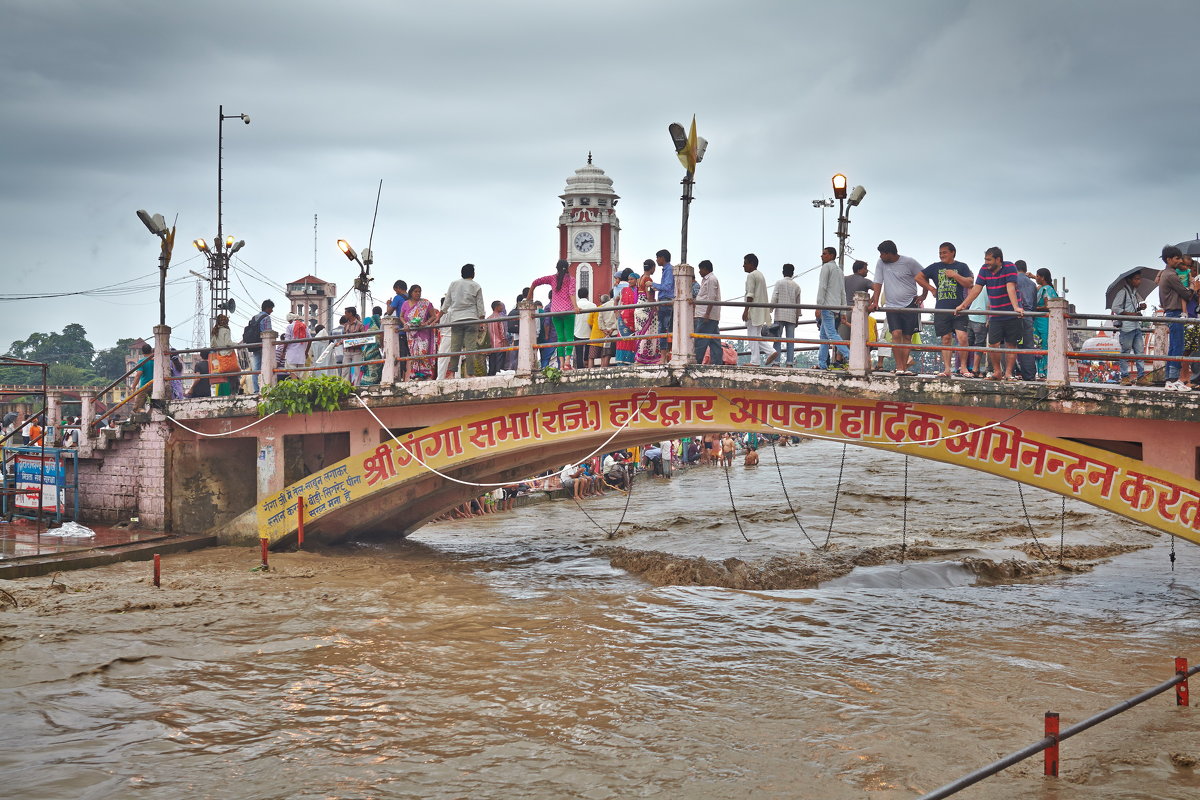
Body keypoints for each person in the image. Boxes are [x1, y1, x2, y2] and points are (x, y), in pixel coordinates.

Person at [954, 247, 1024, 381]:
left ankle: (1009, 373)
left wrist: (1016, 307)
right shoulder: (984, 269)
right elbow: (976, 289)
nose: (987, 262)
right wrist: (964, 305)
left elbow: (1010, 287)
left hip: (1011, 312)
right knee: (993, 344)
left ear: (998, 259)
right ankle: (997, 372)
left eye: (989, 260)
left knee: (1011, 344)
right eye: (985, 259)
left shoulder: (1009, 267)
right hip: (995, 313)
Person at [868, 240, 936, 376]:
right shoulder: (881, 263)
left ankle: (903, 368)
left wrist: (923, 295)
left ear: (889, 253)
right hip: (892, 305)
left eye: (882, 254)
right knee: (895, 334)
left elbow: (924, 276)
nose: (880, 256)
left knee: (907, 336)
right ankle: (899, 367)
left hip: (910, 303)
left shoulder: (909, 262)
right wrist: (875, 301)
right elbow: (877, 283)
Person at [921, 242, 974, 378]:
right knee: (945, 338)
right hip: (941, 309)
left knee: (962, 338)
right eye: (940, 253)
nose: (941, 255)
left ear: (953, 252)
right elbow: (919, 276)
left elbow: (970, 283)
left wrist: (955, 275)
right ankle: (947, 369)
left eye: (944, 252)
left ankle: (963, 367)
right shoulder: (935, 267)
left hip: (959, 308)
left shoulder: (961, 266)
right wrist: (931, 289)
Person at [1157, 245, 1196, 391]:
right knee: (1178, 346)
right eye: (1177, 258)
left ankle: (1170, 380)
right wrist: (1193, 286)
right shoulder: (1171, 275)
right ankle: (1173, 380)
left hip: (1171, 312)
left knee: (1174, 347)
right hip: (1175, 312)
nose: (1179, 260)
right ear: (1169, 259)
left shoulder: (1166, 274)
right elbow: (1186, 294)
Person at [440, 263, 487, 378]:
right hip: (471, 319)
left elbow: (446, 304)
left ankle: (451, 373)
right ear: (473, 274)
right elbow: (480, 306)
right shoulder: (476, 286)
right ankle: (470, 373)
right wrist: (481, 321)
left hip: (456, 319)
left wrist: (438, 316)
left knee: (455, 347)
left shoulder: (453, 284)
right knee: (470, 347)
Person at [530, 259, 577, 368]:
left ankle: (560, 365)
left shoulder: (552, 278)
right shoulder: (571, 279)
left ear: (557, 268)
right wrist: (575, 307)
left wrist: (530, 293)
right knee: (569, 337)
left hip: (555, 312)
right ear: (567, 268)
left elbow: (536, 282)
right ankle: (567, 362)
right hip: (568, 311)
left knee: (560, 338)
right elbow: (571, 293)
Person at [815, 247, 849, 370]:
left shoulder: (826, 267)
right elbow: (842, 292)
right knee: (824, 336)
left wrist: (818, 306)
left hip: (826, 305)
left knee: (831, 334)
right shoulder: (839, 271)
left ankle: (849, 355)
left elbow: (822, 287)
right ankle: (822, 364)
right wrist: (843, 310)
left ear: (831, 255)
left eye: (824, 254)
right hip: (835, 307)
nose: (822, 256)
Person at [1111, 270, 1147, 386]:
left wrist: (1139, 309)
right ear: (1129, 280)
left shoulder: (1134, 293)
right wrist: (1132, 315)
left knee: (1140, 353)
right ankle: (1125, 377)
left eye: (1139, 279)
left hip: (1136, 326)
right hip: (1127, 327)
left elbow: (1132, 310)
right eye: (1136, 279)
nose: (1139, 281)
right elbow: (1115, 308)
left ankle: (1141, 377)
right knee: (1125, 352)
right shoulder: (1122, 292)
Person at [399, 285, 438, 381]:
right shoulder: (405, 304)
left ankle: (425, 374)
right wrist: (405, 324)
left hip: (423, 332)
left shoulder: (425, 303)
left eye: (419, 291)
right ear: (411, 292)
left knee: (423, 351)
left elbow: (433, 316)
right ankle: (416, 374)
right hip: (411, 333)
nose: (418, 293)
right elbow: (401, 316)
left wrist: (426, 323)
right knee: (414, 352)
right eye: (416, 291)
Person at [765, 263, 801, 367]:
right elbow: (798, 304)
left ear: (783, 272)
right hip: (791, 316)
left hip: (780, 315)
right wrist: (797, 317)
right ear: (793, 273)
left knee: (778, 339)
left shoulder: (779, 283)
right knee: (790, 340)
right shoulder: (797, 286)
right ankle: (789, 363)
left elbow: (774, 299)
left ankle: (776, 362)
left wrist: (769, 311)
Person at [742, 253, 772, 367]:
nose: (743, 266)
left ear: (751, 264)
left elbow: (750, 295)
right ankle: (771, 351)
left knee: (752, 335)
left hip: (753, 311)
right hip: (761, 310)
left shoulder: (751, 276)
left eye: (745, 263)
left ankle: (755, 361)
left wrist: (746, 310)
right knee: (757, 335)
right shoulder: (760, 275)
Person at [693, 259, 724, 365]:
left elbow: (711, 297)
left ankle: (696, 362)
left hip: (706, 315)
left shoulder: (711, 279)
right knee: (714, 340)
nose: (699, 272)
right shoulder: (708, 279)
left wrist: (707, 313)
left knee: (701, 340)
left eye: (700, 269)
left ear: (705, 269)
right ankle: (717, 363)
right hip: (709, 315)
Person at [1013, 261, 1039, 381]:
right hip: (1028, 315)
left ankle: (1011, 373)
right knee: (1028, 346)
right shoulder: (1032, 284)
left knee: (1011, 344)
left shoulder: (1012, 280)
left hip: (1014, 315)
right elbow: (1034, 304)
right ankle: (1029, 375)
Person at [1033, 268, 1060, 380]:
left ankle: (1045, 372)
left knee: (1044, 344)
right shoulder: (1042, 288)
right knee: (1038, 345)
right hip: (1038, 320)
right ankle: (1040, 372)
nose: (1036, 278)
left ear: (1042, 277)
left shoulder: (1047, 289)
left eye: (1037, 276)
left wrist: (1035, 308)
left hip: (1044, 320)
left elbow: (1048, 306)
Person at [632, 262, 660, 365]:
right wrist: (655, 307)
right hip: (646, 309)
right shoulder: (648, 279)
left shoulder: (640, 279)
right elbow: (649, 297)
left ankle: (639, 358)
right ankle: (647, 358)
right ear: (652, 268)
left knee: (641, 333)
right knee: (648, 332)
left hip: (639, 308)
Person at [244, 300, 274, 392]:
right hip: (263, 345)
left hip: (254, 344)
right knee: (267, 366)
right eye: (271, 309)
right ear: (267, 308)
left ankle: (256, 389)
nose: (272, 311)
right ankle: (266, 388)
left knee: (256, 368)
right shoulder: (266, 317)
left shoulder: (255, 317)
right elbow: (268, 331)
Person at [650, 249, 675, 353]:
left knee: (663, 328)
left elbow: (667, 286)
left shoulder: (668, 270)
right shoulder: (667, 269)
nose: (657, 260)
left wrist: (653, 285)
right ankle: (665, 354)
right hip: (665, 301)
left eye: (658, 258)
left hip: (666, 301)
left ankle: (664, 355)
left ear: (662, 258)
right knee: (665, 328)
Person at [209, 314, 239, 396]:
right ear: (226, 322)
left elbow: (212, 345)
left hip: (220, 356)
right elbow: (228, 343)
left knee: (227, 376)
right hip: (229, 355)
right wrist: (238, 344)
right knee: (234, 375)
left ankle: (228, 393)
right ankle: (234, 393)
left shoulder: (215, 331)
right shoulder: (226, 330)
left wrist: (219, 347)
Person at [614, 269, 638, 365]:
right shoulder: (623, 290)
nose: (629, 281)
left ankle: (632, 361)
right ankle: (621, 362)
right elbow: (616, 299)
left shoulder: (639, 290)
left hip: (635, 320)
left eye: (632, 279)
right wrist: (616, 312)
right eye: (629, 279)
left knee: (633, 341)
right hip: (622, 321)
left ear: (637, 280)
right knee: (622, 341)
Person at [341, 306, 367, 385]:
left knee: (357, 371)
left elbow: (364, 338)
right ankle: (345, 386)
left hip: (357, 351)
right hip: (347, 351)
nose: (345, 315)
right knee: (345, 370)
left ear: (350, 314)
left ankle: (356, 387)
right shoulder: (346, 325)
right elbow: (344, 337)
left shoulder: (360, 325)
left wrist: (355, 342)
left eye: (346, 313)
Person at [573, 288, 595, 370]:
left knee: (579, 353)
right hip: (590, 332)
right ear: (587, 295)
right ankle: (588, 368)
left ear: (578, 295)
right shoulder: (593, 305)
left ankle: (579, 369)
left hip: (577, 331)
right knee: (588, 352)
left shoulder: (575, 306)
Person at [486, 300, 509, 375]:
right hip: (499, 344)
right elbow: (502, 332)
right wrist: (504, 341)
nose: (502, 307)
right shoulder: (499, 318)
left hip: (490, 345)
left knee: (492, 364)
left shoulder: (488, 319)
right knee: (499, 364)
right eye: (501, 306)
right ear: (497, 307)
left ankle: (490, 377)